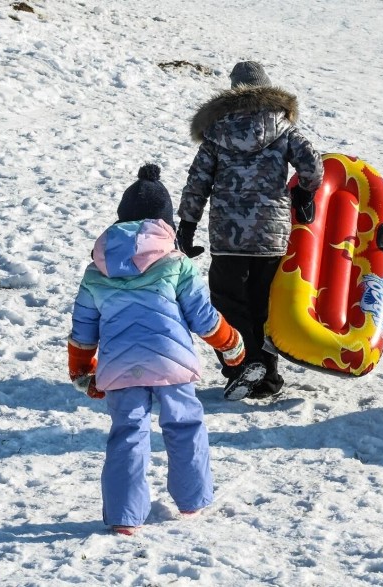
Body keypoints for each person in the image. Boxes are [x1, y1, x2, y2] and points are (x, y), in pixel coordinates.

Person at [68, 164, 246, 536]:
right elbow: (203, 316)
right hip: (171, 361)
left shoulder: (96, 271)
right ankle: (192, 499)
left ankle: (123, 516)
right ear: (164, 223)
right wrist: (230, 344)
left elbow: (83, 330)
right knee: (184, 425)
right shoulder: (177, 264)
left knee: (128, 433)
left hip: (120, 366)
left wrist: (82, 371)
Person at [176, 60, 324, 400]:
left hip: (228, 237)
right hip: (271, 236)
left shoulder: (215, 133)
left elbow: (197, 183)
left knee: (228, 305)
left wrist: (187, 226)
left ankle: (241, 366)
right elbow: (313, 165)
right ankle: (268, 377)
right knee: (265, 305)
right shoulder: (284, 129)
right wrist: (303, 193)